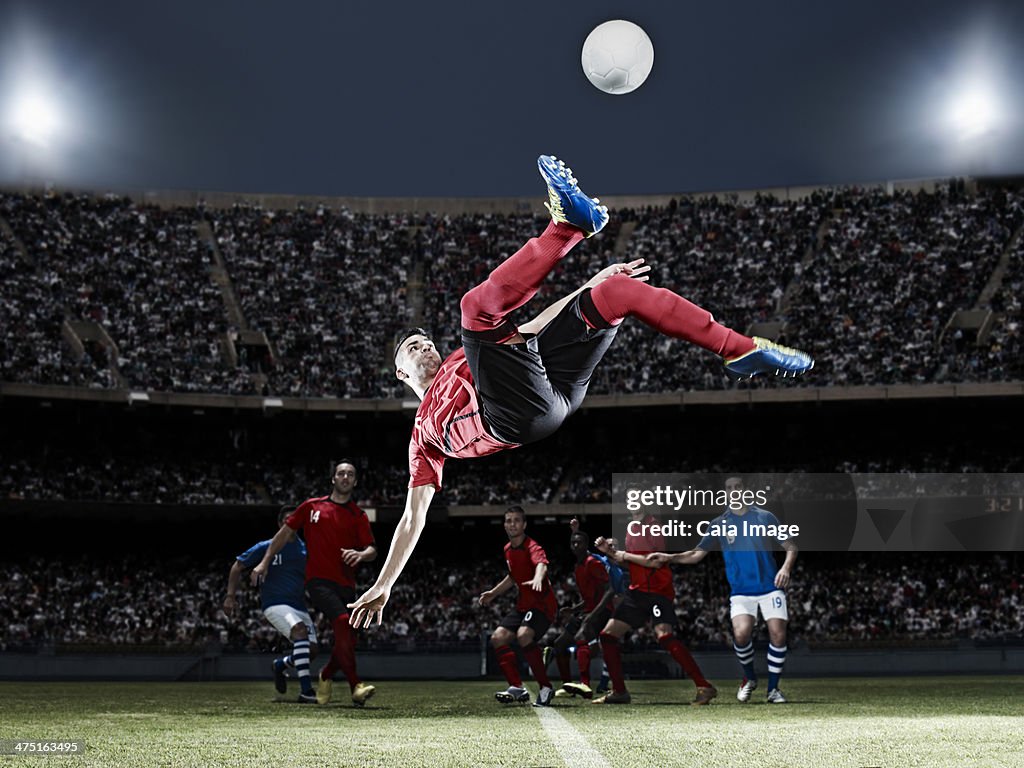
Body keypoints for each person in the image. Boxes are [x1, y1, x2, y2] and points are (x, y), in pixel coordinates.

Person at [349, 155, 814, 628]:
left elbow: (529, 327)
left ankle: (739, 350)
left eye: (426, 341)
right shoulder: (422, 436)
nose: (424, 347)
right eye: (412, 347)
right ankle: (567, 228)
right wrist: (384, 583)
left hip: (549, 387)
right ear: (402, 375)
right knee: (475, 307)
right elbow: (412, 519)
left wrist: (591, 284)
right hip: (512, 417)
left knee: (617, 295)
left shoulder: (460, 359)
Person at [647, 475, 798, 703]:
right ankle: (749, 678)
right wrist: (669, 557)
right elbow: (696, 554)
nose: (734, 490)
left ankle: (773, 689)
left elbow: (791, 546)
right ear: (725, 493)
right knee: (741, 633)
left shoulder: (764, 517)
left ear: (745, 490)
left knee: (778, 634)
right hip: (741, 591)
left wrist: (785, 568)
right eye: (729, 488)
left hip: (770, 587)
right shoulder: (719, 523)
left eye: (738, 486)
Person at [252, 460, 378, 707]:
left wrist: (362, 555)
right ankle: (356, 687)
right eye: (341, 473)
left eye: (350, 474)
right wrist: (265, 561)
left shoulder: (358, 515)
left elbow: (372, 549)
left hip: (347, 584)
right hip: (319, 582)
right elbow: (284, 534)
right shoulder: (311, 507)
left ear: (355, 481)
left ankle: (326, 674)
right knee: (343, 623)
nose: (345, 477)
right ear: (333, 479)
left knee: (348, 638)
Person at [592, 505, 717, 705]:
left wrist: (623, 554)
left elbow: (655, 562)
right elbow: (630, 563)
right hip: (637, 592)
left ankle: (704, 686)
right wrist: (609, 552)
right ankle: (619, 692)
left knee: (664, 636)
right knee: (607, 636)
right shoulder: (631, 529)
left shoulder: (654, 527)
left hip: (658, 591)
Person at [224, 506, 318, 703]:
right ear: (279, 524)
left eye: (292, 520)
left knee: (311, 651)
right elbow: (237, 566)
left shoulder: (306, 550)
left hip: (299, 606)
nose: (288, 523)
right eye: (285, 520)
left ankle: (280, 665)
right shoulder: (267, 546)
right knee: (299, 632)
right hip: (275, 604)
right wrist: (230, 596)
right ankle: (306, 691)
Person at [478, 505, 558, 707]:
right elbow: (513, 576)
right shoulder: (507, 550)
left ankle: (546, 687)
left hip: (543, 605)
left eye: (516, 520)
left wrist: (539, 577)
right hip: (523, 605)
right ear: (505, 525)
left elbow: (541, 563)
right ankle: (516, 687)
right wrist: (492, 593)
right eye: (508, 521)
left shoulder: (532, 546)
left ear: (524, 524)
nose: (512, 524)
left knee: (523, 636)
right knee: (498, 638)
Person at [546, 518, 618, 699]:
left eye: (579, 542)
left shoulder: (593, 563)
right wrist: (573, 609)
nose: (575, 545)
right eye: (573, 542)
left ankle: (585, 684)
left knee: (581, 638)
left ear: (586, 545)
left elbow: (609, 590)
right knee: (559, 644)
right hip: (588, 610)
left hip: (602, 611)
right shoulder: (578, 566)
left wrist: (592, 615)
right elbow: (589, 598)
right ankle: (568, 687)